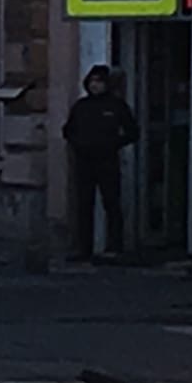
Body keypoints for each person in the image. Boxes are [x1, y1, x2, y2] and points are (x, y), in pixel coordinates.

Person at [62, 64, 139, 261]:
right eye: (92, 81)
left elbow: (133, 132)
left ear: (107, 84)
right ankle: (83, 248)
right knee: (84, 205)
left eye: (99, 81)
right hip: (84, 161)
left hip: (107, 161)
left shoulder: (116, 106)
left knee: (112, 203)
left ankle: (115, 246)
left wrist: (113, 144)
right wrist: (78, 144)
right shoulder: (81, 106)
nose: (95, 85)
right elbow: (68, 130)